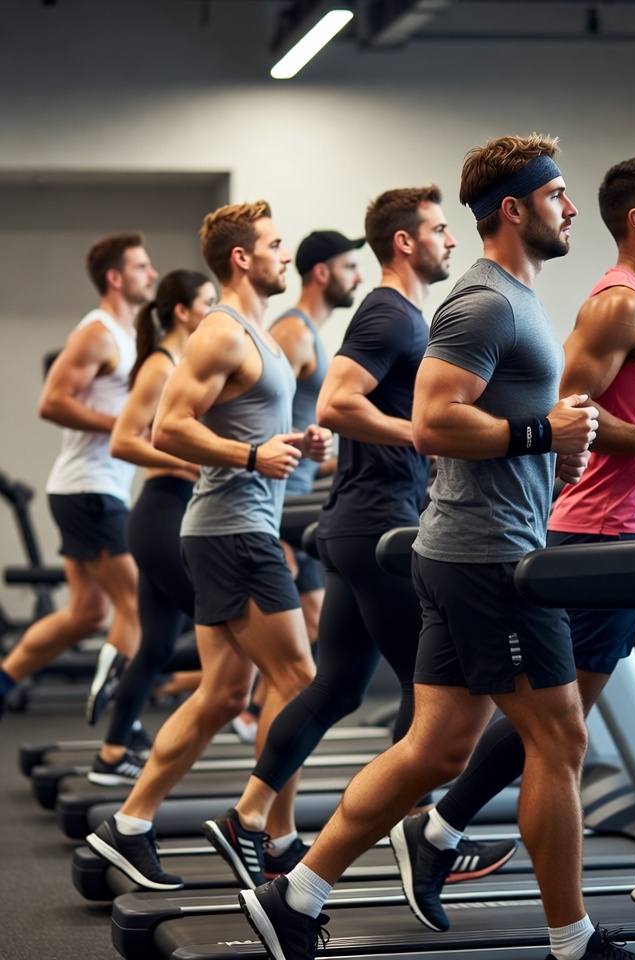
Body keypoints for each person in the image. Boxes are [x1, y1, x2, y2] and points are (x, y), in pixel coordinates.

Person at [238, 136, 635, 960]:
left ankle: (294, 895)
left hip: (467, 549)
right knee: (561, 740)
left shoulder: (519, 297)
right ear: (513, 209)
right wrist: (536, 433)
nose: (571, 207)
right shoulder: (482, 303)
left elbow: (504, 424)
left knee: (435, 748)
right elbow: (436, 421)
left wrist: (559, 443)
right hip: (486, 560)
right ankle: (574, 941)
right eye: (555, 196)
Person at [389, 152, 635, 927]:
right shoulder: (614, 307)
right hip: (597, 540)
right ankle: (439, 831)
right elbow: (570, 416)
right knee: (557, 726)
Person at [205, 186, 515, 889]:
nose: (451, 240)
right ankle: (422, 836)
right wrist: (423, 432)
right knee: (435, 692)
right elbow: (338, 401)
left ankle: (245, 817)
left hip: (355, 524)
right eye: (439, 230)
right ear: (404, 242)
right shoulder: (389, 313)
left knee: (338, 686)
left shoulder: (404, 315)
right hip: (380, 525)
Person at [85, 201, 330, 890]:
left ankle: (128, 826)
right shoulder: (222, 332)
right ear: (242, 259)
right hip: (233, 533)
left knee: (225, 693)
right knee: (302, 682)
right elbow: (166, 428)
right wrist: (252, 456)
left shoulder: (263, 336)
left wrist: (302, 445)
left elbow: (249, 424)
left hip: (232, 529)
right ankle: (263, 829)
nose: (285, 255)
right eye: (276, 246)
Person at [0, 233, 156, 723]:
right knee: (137, 605)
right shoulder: (98, 333)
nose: (151, 275)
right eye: (141, 267)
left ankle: (1, 683)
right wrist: (123, 426)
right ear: (115, 277)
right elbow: (52, 401)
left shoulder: (129, 336)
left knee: (86, 614)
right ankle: (120, 730)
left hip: (90, 488)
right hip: (89, 488)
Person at [230, 231, 365, 745]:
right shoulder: (293, 333)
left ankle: (256, 719)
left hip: (303, 496)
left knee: (308, 638)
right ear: (322, 273)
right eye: (350, 266)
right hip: (284, 507)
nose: (357, 275)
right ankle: (261, 734)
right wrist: (278, 526)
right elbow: (261, 427)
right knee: (309, 638)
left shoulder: (312, 333)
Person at [87, 269, 217, 785]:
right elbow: (122, 440)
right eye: (207, 302)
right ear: (182, 312)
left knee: (160, 644)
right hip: (161, 511)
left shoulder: (182, 364)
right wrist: (185, 460)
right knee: (222, 621)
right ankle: (121, 673)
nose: (214, 311)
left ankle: (113, 753)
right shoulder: (160, 367)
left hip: (171, 513)